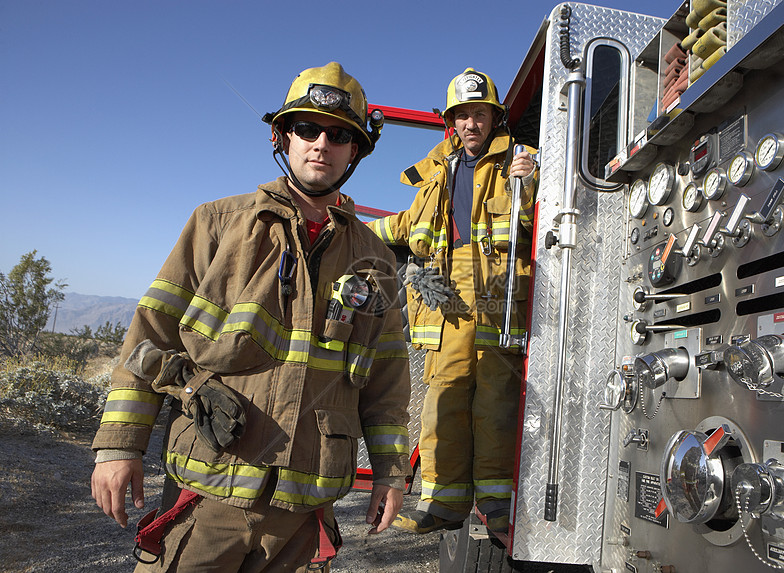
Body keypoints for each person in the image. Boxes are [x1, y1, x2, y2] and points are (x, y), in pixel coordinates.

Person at [90, 61, 411, 571]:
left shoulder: (376, 259)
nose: (320, 143)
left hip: (303, 515)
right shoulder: (217, 225)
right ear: (282, 137)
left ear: (355, 150)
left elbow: (388, 381)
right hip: (209, 494)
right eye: (306, 129)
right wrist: (118, 445)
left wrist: (393, 475)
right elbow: (150, 335)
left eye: (338, 134)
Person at [369, 68, 538, 534]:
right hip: (446, 302)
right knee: (443, 401)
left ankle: (497, 505)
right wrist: (352, 227)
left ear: (493, 117)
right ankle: (443, 503)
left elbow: (542, 225)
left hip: (497, 294)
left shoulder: (522, 163)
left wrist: (534, 182)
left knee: (496, 404)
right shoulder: (434, 172)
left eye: (479, 114)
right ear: (451, 121)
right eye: (462, 115)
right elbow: (406, 227)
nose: (470, 124)